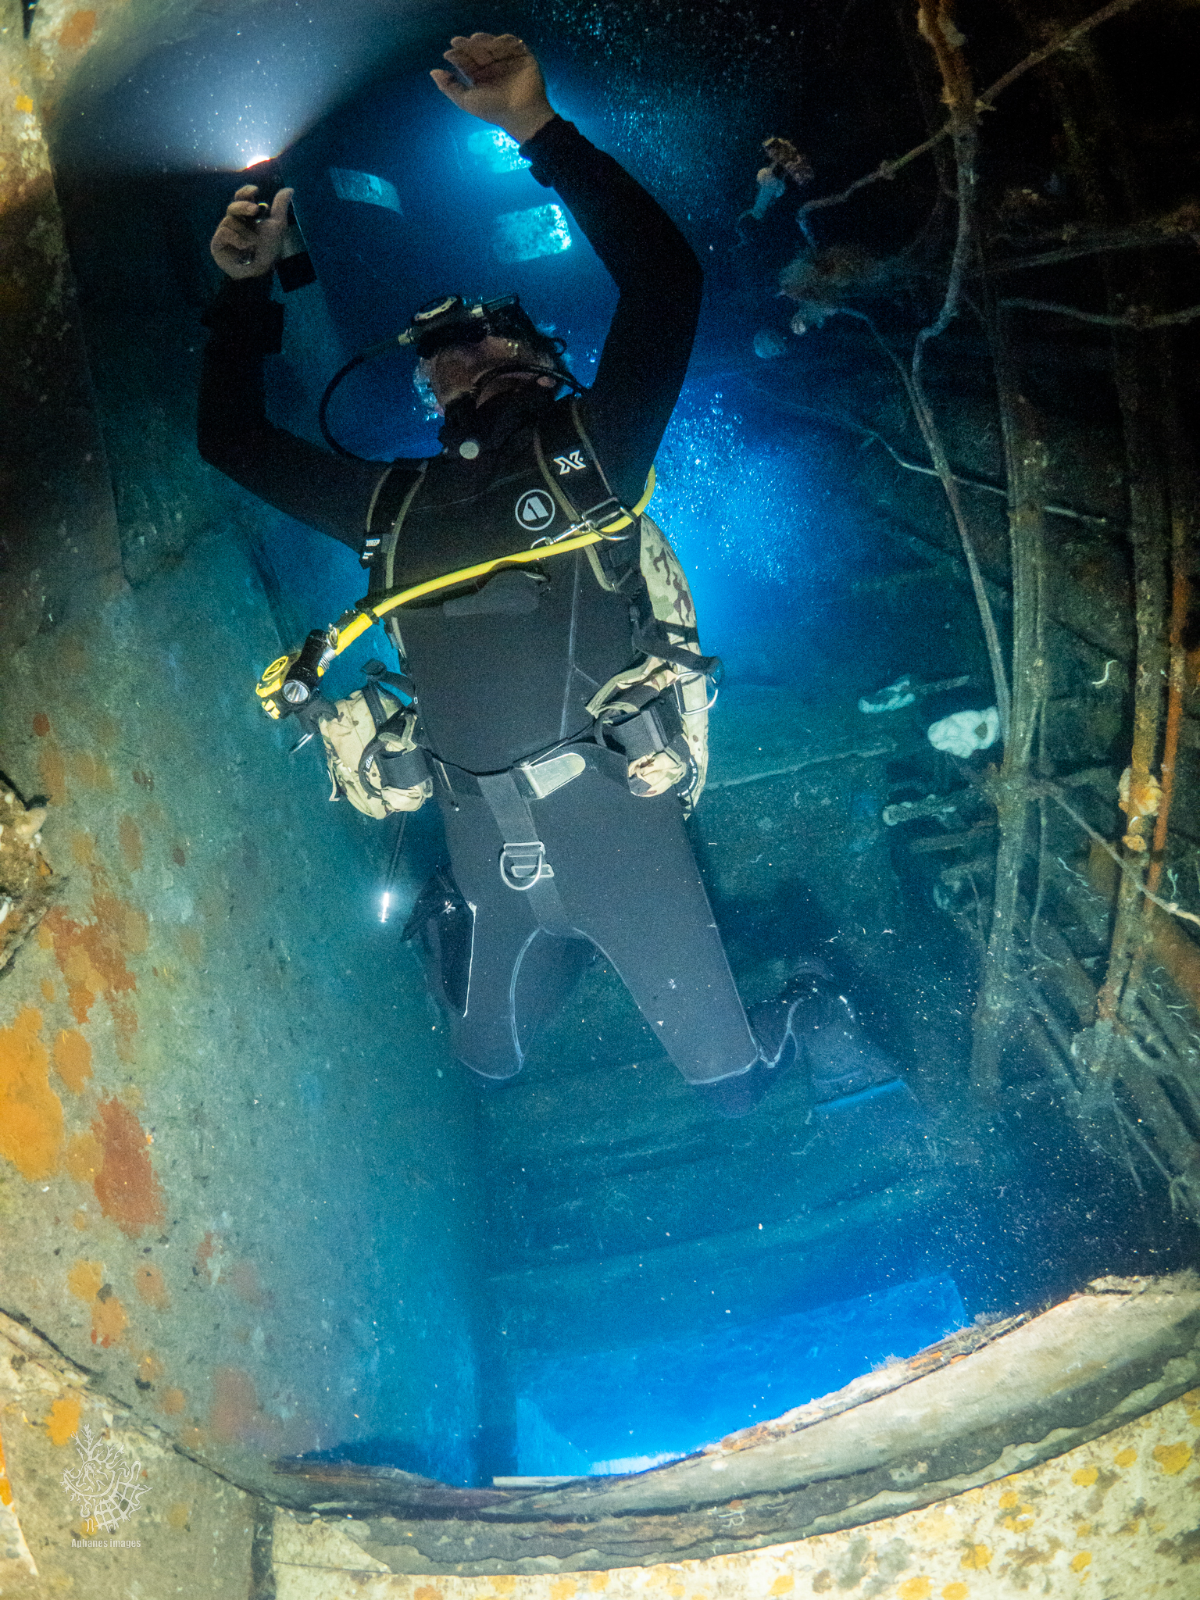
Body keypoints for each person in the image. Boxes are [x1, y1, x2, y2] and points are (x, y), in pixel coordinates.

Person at [199, 31, 816, 1113]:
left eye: (486, 333)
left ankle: (802, 1013)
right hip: (482, 837)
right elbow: (232, 442)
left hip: (623, 828)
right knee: (487, 1064)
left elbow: (666, 283)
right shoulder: (395, 504)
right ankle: (543, 950)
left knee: (730, 1085)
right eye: (439, 351)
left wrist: (538, 129)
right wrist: (246, 295)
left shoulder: (594, 455)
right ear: (425, 395)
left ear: (542, 357)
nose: (458, 353)